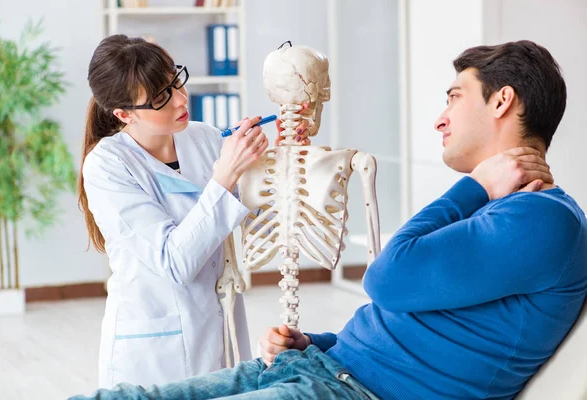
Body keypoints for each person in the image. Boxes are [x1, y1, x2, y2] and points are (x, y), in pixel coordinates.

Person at [72, 40, 587, 400]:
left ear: (502, 101)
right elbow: (414, 320)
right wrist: (318, 342)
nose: (440, 117)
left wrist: (475, 185)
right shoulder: (504, 211)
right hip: (321, 366)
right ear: (124, 113)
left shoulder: (540, 220)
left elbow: (385, 277)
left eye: (454, 97)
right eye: (162, 97)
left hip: (343, 388)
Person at [78, 34, 311, 389]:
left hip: (221, 331)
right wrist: (225, 176)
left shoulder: (203, 138)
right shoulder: (107, 165)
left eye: (176, 81)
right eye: (160, 98)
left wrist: (283, 154)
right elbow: (175, 263)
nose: (180, 100)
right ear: (124, 114)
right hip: (154, 351)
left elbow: (255, 220)